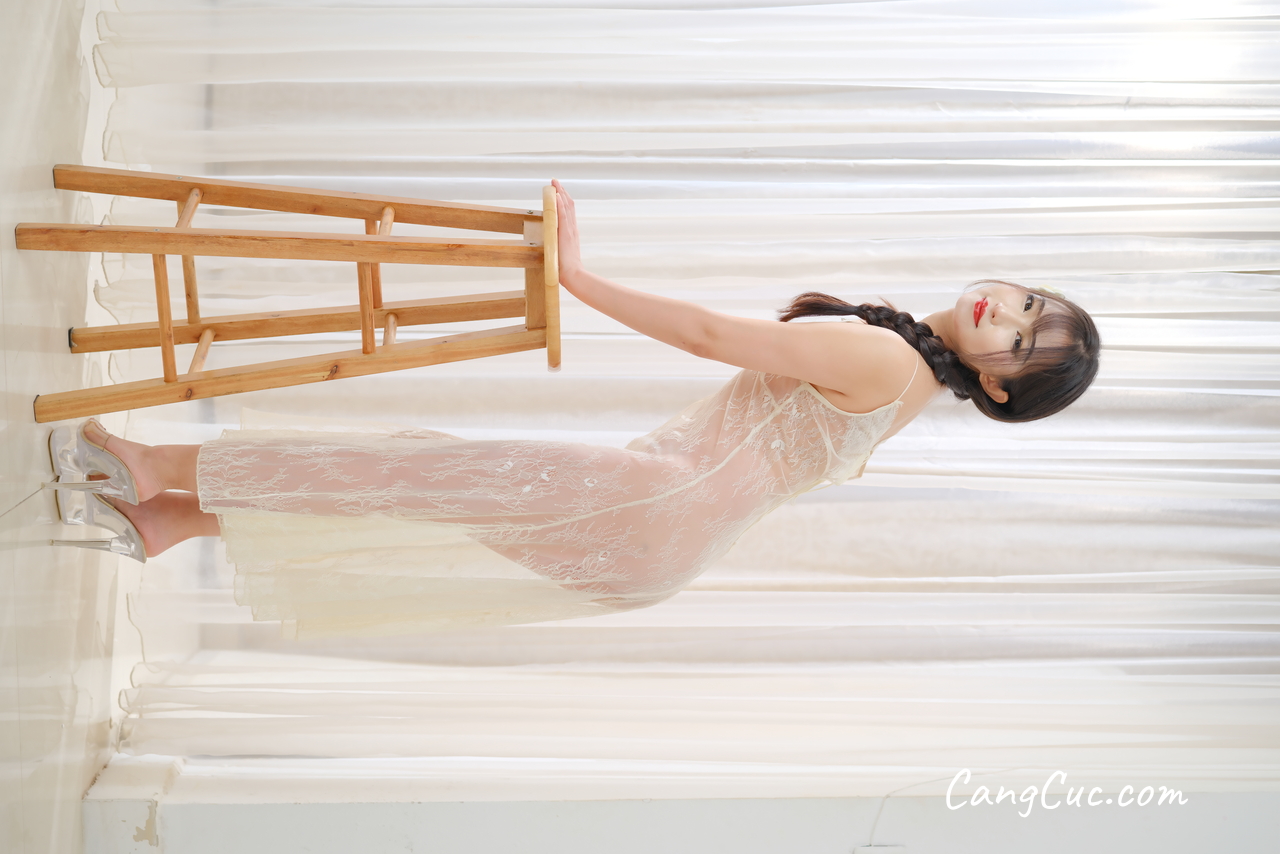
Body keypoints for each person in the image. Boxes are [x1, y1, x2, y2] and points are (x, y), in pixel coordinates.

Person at [47, 181, 1100, 637]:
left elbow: (711, 335)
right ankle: (172, 517)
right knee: (414, 489)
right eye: (1027, 303)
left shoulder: (883, 356)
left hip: (652, 502)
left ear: (997, 386)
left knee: (401, 471)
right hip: (661, 553)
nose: (1004, 313)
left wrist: (579, 280)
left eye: (1020, 342)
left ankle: (154, 467)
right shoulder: (906, 390)